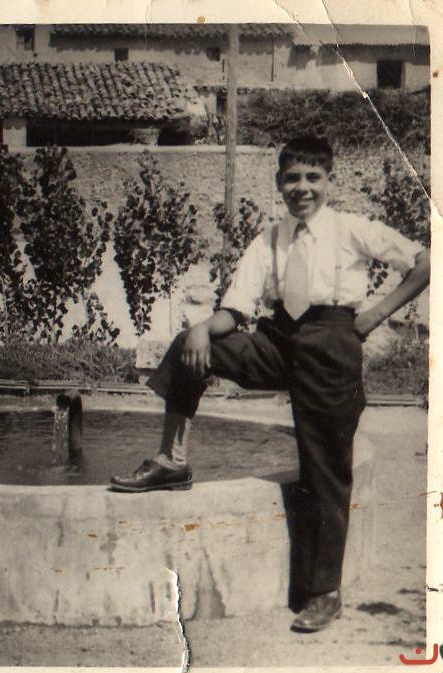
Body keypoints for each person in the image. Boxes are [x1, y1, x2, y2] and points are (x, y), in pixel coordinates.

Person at [109, 136, 430, 633]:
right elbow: (235, 309)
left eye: (313, 178)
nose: (302, 188)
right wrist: (198, 328)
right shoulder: (269, 239)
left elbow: (424, 262)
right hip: (278, 338)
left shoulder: (352, 229)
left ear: (330, 180)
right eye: (292, 178)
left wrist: (374, 315)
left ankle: (324, 592)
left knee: (324, 469)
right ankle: (172, 459)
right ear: (280, 183)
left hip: (330, 344)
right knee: (192, 347)